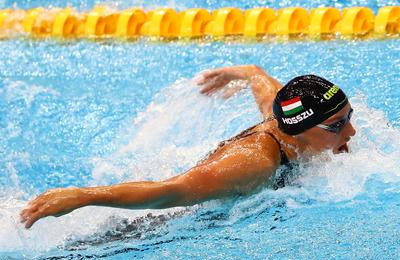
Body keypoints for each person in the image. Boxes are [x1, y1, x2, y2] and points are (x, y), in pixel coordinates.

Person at [20, 65, 356, 229]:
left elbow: (257, 76)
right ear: (300, 130)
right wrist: (84, 196)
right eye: (338, 125)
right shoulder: (253, 163)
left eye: (348, 117)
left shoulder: (286, 117)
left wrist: (237, 73)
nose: (352, 131)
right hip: (160, 225)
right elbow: (171, 192)